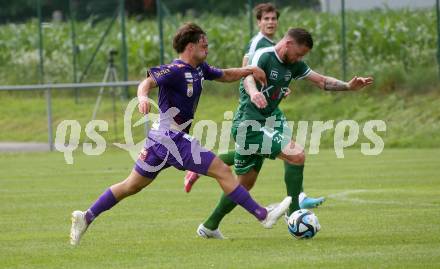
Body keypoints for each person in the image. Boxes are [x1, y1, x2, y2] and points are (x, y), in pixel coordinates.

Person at [69, 23, 292, 246]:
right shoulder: (174, 70)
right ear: (190, 46)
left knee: (131, 185)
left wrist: (250, 70)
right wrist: (143, 98)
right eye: (204, 45)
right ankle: (263, 215)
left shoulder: (200, 69)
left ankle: (86, 216)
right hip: (170, 138)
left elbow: (225, 75)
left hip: (160, 140)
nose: (207, 48)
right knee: (222, 170)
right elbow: (146, 83)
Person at [196, 27, 373, 239]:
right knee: (296, 154)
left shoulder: (294, 65)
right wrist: (253, 94)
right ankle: (294, 212)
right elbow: (248, 76)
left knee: (244, 185)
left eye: (302, 56)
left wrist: (348, 86)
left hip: (265, 124)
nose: (299, 58)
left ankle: (209, 226)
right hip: (248, 125)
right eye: (298, 53)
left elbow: (321, 81)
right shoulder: (264, 55)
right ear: (287, 43)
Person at [184, 3, 325, 210]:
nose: (270, 22)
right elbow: (246, 70)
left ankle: (297, 197)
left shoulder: (277, 45)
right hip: (255, 105)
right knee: (285, 148)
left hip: (269, 103)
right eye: (265, 19)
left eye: (273, 19)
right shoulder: (259, 44)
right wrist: (253, 93)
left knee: (276, 147)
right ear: (258, 22)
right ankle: (297, 199)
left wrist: (278, 89)